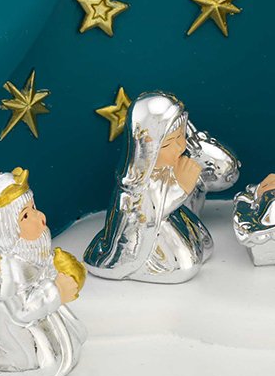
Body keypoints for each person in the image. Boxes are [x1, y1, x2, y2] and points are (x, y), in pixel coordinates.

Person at [0, 168, 85, 376]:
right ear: (5, 229)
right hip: (12, 324)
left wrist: (60, 270)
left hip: (38, 309)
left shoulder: (30, 249)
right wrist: (57, 290)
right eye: (25, 216)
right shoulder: (6, 266)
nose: (39, 217)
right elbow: (21, 311)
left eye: (33, 208)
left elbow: (40, 274)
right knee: (48, 365)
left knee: (74, 337)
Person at [83, 92, 215, 284]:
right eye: (168, 144)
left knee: (205, 245)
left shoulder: (169, 167)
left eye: (181, 137)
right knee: (186, 266)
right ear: (147, 148)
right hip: (149, 241)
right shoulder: (133, 188)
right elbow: (143, 219)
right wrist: (181, 188)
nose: (180, 147)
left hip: (172, 222)